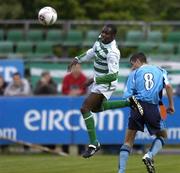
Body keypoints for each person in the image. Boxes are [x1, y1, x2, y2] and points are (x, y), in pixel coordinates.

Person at [68, 24, 141, 158]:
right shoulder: (100, 40)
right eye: (102, 32)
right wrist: (78, 59)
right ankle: (129, 102)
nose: (103, 35)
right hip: (98, 81)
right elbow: (92, 51)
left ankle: (94, 143)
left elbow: (113, 75)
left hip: (106, 83)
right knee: (96, 109)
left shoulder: (113, 52)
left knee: (85, 108)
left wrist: (93, 79)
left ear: (113, 36)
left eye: (107, 34)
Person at [118, 52, 175, 173]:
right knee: (163, 136)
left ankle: (121, 171)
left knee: (128, 141)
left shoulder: (134, 73)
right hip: (152, 107)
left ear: (138, 61)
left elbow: (127, 95)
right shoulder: (160, 70)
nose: (132, 67)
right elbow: (169, 87)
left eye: (132, 64)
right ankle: (149, 155)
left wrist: (136, 105)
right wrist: (170, 105)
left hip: (136, 105)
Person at [61, 63, 87, 155]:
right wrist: (70, 92)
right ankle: (64, 149)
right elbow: (63, 90)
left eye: (78, 67)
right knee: (64, 126)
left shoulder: (84, 78)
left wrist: (78, 93)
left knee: (80, 126)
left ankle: (81, 149)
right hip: (67, 107)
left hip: (80, 106)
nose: (76, 69)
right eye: (75, 68)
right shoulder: (67, 78)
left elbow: (85, 90)